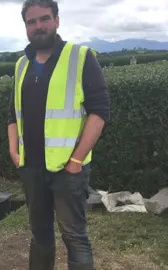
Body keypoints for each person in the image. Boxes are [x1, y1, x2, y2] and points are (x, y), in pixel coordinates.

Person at [7, 1, 110, 270]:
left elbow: (99, 112)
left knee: (74, 237)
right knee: (39, 235)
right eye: (32, 22)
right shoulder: (21, 64)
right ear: (26, 26)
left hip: (68, 170)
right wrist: (14, 151)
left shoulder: (80, 57)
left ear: (57, 20)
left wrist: (76, 161)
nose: (38, 26)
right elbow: (12, 113)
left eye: (44, 19)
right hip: (32, 169)